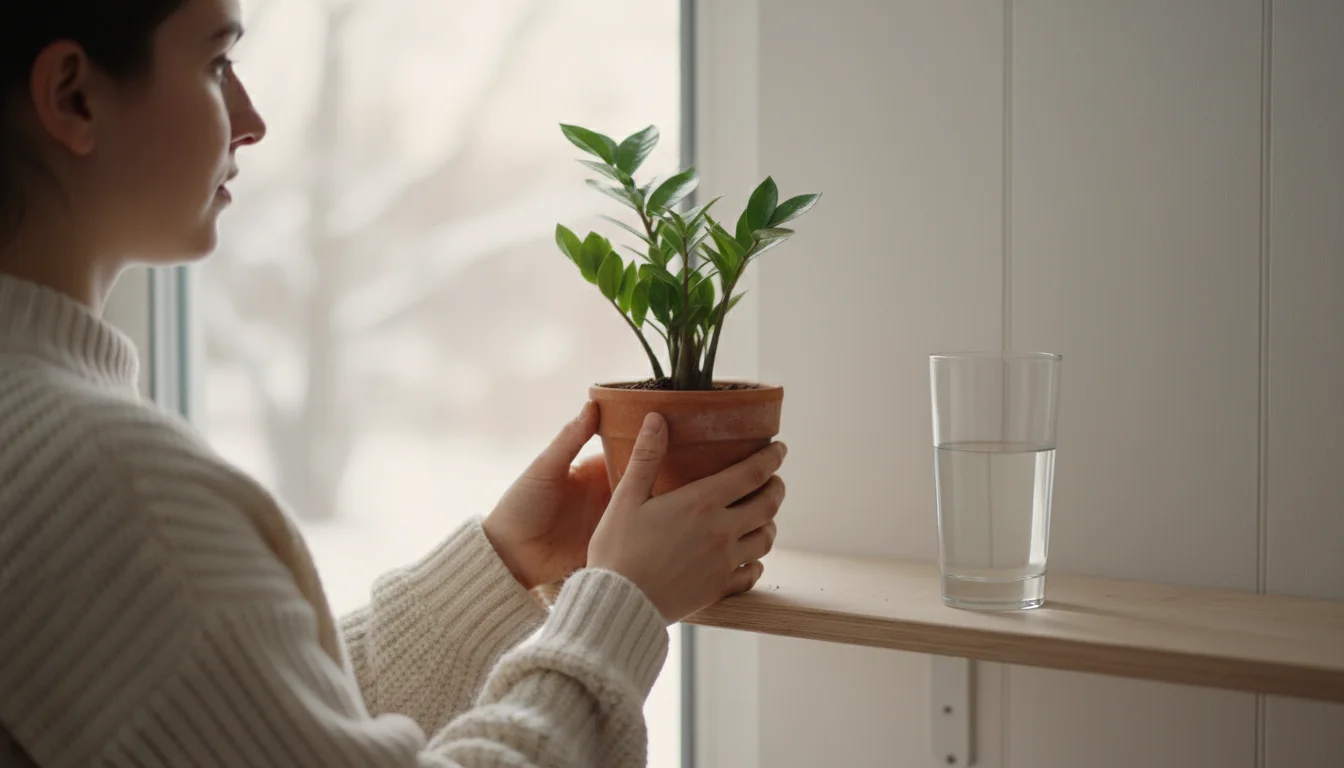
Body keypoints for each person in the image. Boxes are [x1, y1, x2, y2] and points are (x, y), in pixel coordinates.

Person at [0, 0, 787, 765]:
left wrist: (500, 567)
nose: (251, 118)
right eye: (216, 62)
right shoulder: (106, 482)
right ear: (73, 95)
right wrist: (621, 605)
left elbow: (245, 723)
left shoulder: (36, 431)